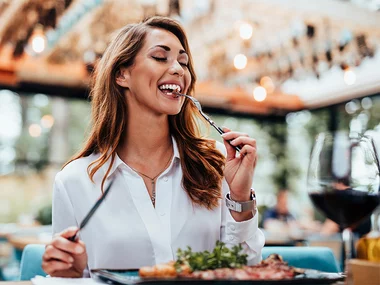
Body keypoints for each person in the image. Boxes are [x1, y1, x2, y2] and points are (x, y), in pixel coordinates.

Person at [41, 16, 264, 278]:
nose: (179, 70)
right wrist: (71, 274)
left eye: (183, 62)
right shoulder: (73, 181)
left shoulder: (217, 162)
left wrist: (239, 200)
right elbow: (67, 277)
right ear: (122, 74)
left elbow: (244, 271)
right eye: (161, 57)